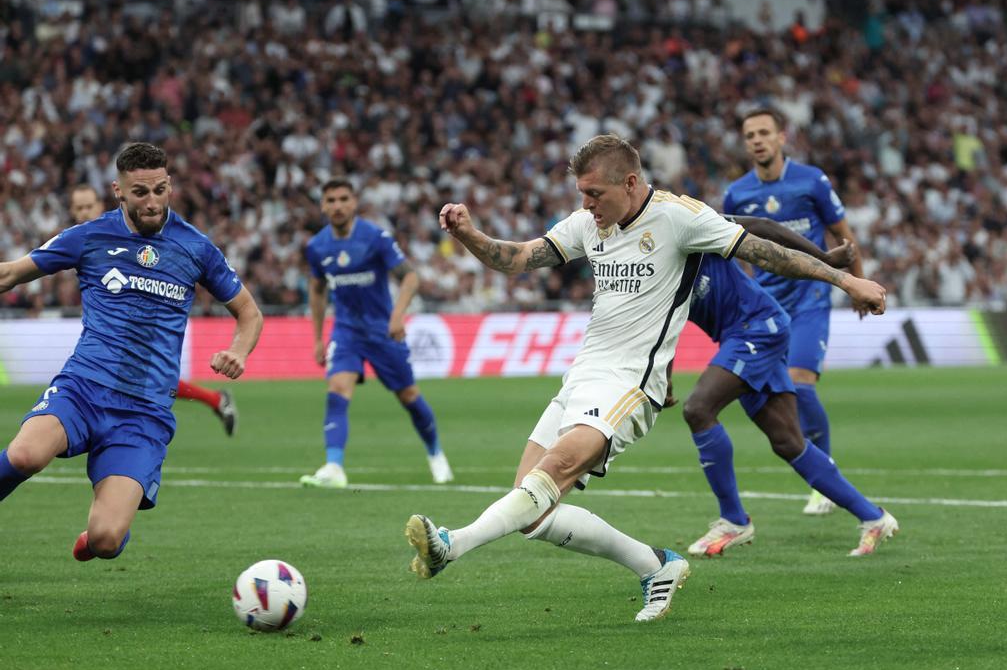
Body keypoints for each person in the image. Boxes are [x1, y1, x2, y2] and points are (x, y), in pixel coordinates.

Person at [405, 134, 887, 623]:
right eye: (582, 194)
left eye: (595, 194)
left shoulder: (679, 217)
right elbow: (518, 258)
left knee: (550, 474)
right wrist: (469, 234)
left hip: (631, 384)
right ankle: (655, 565)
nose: (586, 204)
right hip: (582, 378)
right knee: (532, 512)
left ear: (630, 183)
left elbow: (764, 249)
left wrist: (846, 280)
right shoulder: (588, 224)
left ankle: (452, 544)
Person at [0, 143, 262, 560]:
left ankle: (97, 537)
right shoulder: (89, 237)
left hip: (144, 413)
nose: (152, 201)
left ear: (170, 185)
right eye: (140, 193)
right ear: (118, 191)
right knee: (25, 454)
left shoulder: (196, 248)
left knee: (105, 540)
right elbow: (13, 272)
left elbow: (249, 312)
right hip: (84, 388)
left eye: (160, 190)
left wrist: (239, 351)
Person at [675, 214, 897, 558]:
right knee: (788, 442)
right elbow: (660, 324)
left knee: (698, 409)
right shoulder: (643, 262)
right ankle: (874, 517)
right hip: (740, 335)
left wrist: (824, 258)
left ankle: (733, 519)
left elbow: (761, 227)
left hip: (757, 326)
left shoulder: (680, 220)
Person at [723, 108, 870, 517]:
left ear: (781, 137)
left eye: (764, 132)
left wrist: (858, 283)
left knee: (801, 387)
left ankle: (826, 481)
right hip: (768, 306)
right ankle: (822, 477)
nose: (757, 140)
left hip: (810, 299)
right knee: (777, 398)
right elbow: (736, 251)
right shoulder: (736, 194)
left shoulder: (812, 180)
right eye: (750, 133)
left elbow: (844, 235)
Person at [300, 178, 452, 488]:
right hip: (346, 333)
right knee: (337, 390)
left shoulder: (376, 238)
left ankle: (436, 454)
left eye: (344, 198)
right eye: (331, 200)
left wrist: (397, 316)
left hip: (383, 332)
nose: (338, 205)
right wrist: (318, 337)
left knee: (409, 396)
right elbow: (316, 290)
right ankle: (334, 466)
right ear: (322, 206)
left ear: (354, 202)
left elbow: (410, 277)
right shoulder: (316, 247)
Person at [68, 185, 239, 436]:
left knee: (147, 379)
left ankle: (213, 400)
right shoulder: (79, 240)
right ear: (72, 211)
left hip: (146, 323)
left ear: (100, 204)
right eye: (79, 208)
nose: (85, 212)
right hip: (112, 329)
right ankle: (215, 400)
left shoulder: (125, 233)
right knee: (141, 380)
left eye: (89, 206)